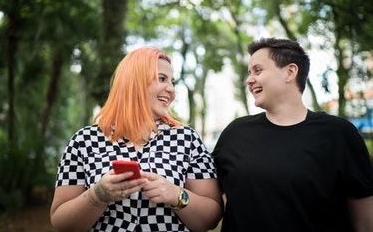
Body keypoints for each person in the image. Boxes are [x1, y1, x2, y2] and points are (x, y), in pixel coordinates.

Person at [50, 47, 223, 232]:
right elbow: (61, 223)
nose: (171, 90)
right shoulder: (84, 141)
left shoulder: (187, 140)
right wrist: (99, 195)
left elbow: (211, 218)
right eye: (162, 79)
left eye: (172, 82)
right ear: (135, 82)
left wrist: (176, 195)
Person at [212, 37, 373, 232]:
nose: (249, 79)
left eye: (258, 70)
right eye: (249, 72)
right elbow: (207, 198)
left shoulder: (339, 134)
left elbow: (365, 224)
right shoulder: (234, 133)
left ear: (290, 72)